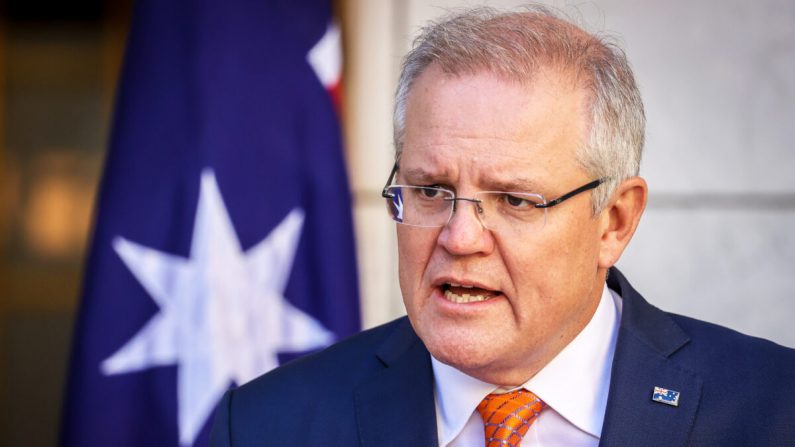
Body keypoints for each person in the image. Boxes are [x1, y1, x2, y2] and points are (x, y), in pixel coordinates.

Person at [210, 6, 795, 446]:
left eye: (515, 200)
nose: (460, 238)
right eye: (433, 191)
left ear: (614, 222)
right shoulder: (268, 425)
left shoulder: (773, 408)